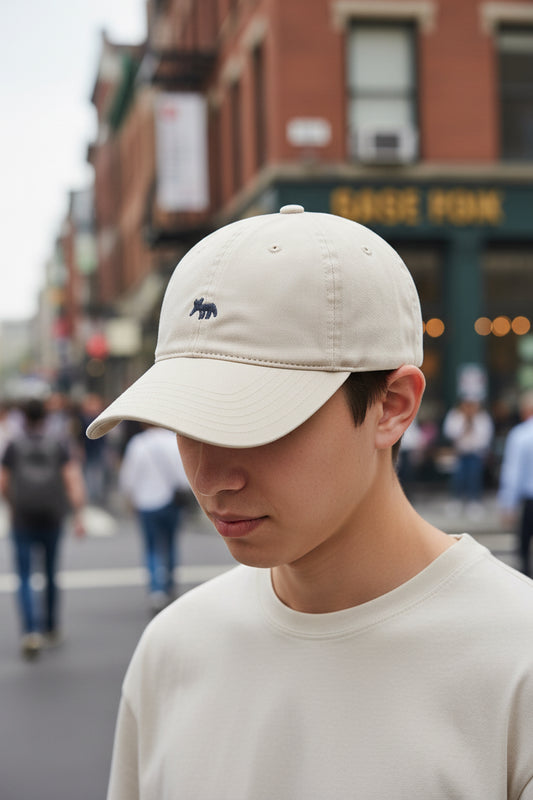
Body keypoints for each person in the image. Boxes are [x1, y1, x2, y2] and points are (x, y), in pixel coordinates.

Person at [86, 206, 533, 799]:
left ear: (393, 406)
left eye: (259, 422)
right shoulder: (173, 650)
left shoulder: (515, 662)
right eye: (187, 421)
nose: (212, 476)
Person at [1, 398, 86, 659]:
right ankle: (50, 627)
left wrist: (12, 503)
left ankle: (31, 631)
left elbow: (3, 481)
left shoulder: (13, 446)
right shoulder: (58, 443)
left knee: (25, 576)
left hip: (23, 518)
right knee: (50, 572)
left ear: (22, 417)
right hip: (52, 517)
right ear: (45, 418)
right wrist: (78, 514)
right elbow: (72, 479)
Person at [119, 424, 191, 613]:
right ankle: (169, 584)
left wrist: (130, 499)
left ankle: (156, 590)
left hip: (146, 503)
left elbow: (128, 478)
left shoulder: (138, 443)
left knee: (151, 547)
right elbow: (185, 475)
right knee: (171, 544)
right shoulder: (175, 441)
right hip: (171, 502)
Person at [498, 389, 533, 576]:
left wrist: (508, 504)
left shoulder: (520, 435)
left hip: (530, 501)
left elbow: (513, 472)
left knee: (524, 549)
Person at [442, 395, 494, 515]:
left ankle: (474, 502)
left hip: (475, 453)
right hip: (460, 453)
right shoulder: (455, 415)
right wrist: (465, 423)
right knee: (458, 478)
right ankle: (456, 501)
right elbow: (450, 433)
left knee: (474, 478)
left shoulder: (482, 417)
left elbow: (485, 437)